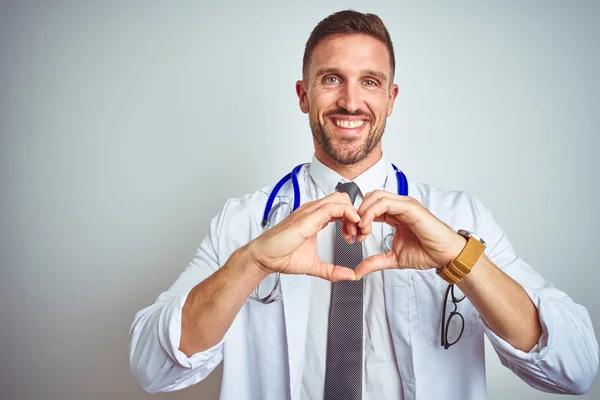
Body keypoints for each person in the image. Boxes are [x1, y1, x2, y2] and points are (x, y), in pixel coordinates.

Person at [128, 10, 598, 400]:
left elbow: (575, 368)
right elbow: (153, 368)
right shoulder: (245, 222)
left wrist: (460, 259)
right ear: (303, 94)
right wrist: (251, 262)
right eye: (332, 79)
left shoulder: (460, 220)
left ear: (391, 99)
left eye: (370, 82)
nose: (351, 102)